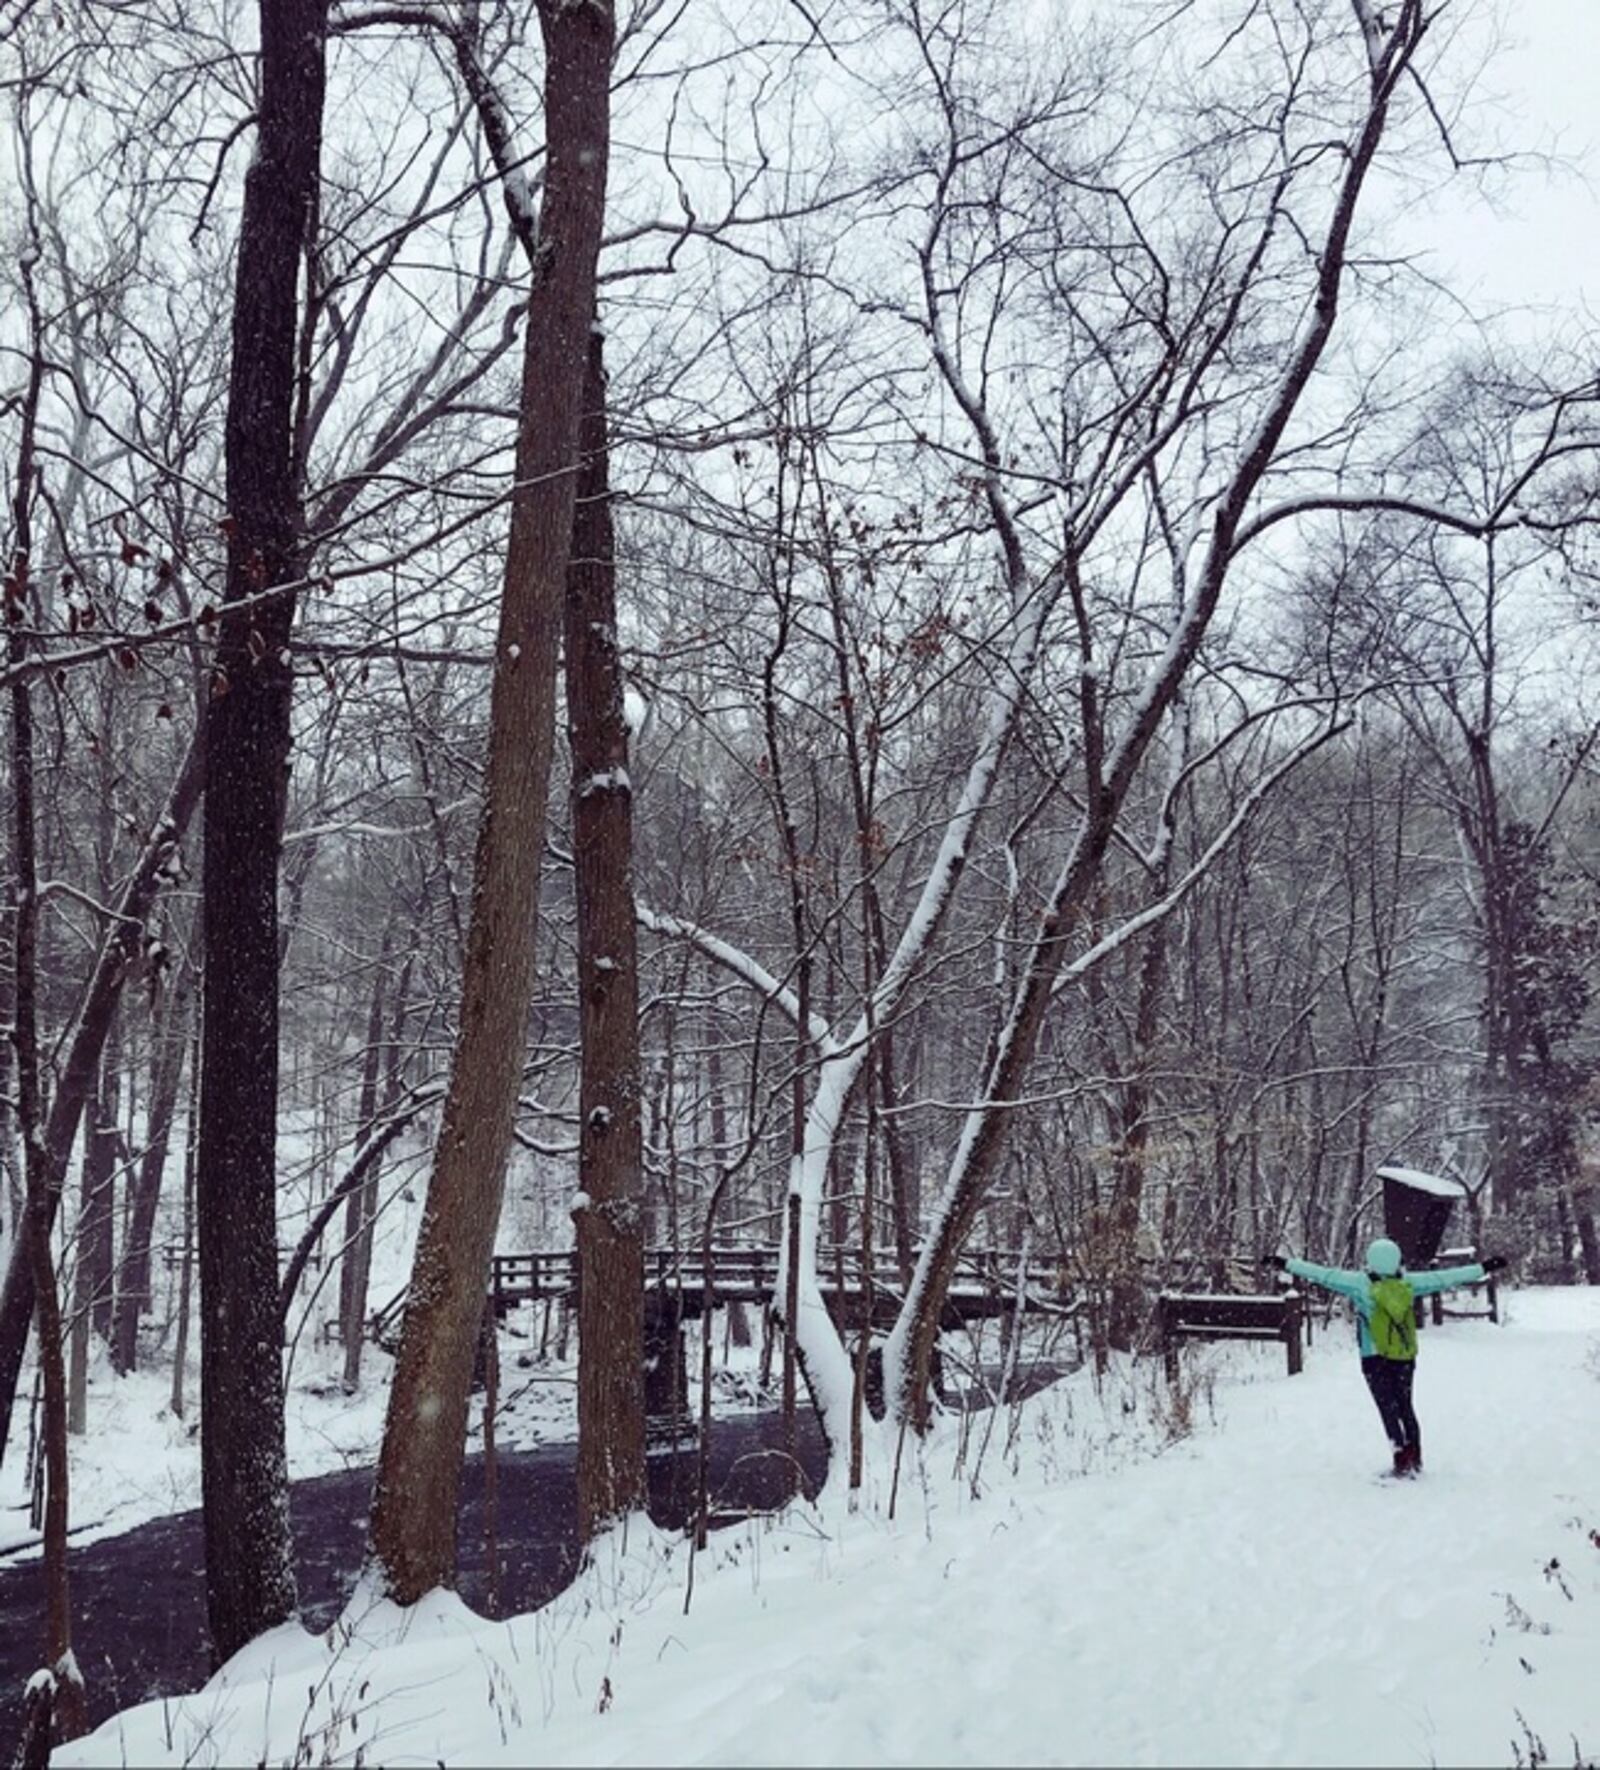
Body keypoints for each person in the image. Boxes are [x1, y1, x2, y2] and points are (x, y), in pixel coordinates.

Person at [1266, 1238, 1507, 1477]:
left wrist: (1284, 1263)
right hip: (1403, 1354)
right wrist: (1484, 1267)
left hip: (1373, 1356)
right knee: (1405, 1406)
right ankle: (1416, 1457)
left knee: (1387, 1408)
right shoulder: (1409, 1283)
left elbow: (1322, 1274)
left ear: (1371, 1260)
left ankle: (1400, 1458)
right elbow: (1446, 1278)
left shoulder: (1359, 1283)